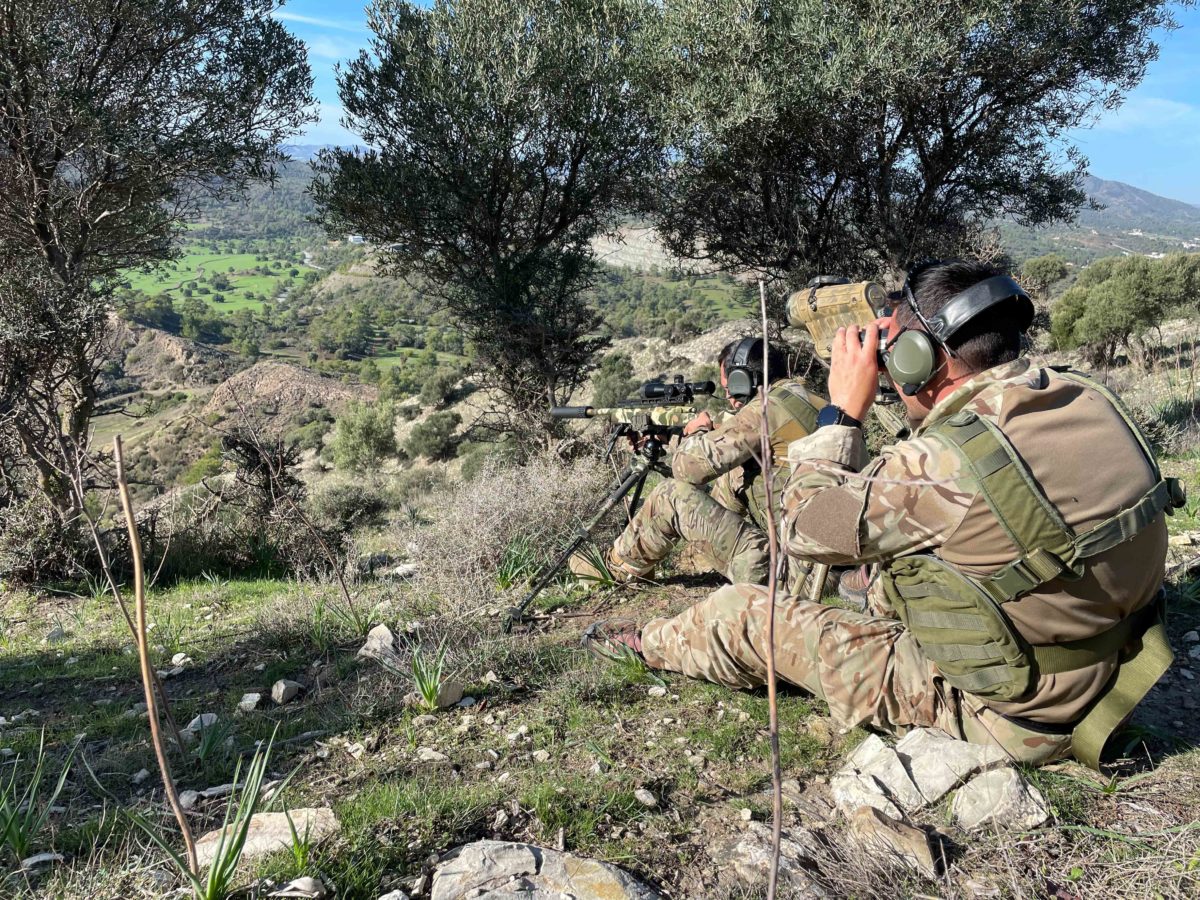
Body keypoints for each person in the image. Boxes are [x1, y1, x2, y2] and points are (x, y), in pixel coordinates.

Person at [585, 259, 1182, 768]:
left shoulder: (942, 464)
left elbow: (803, 528)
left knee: (740, 612)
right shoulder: (1089, 399)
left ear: (920, 359)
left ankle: (643, 644)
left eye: (894, 349)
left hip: (1015, 711)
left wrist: (843, 413)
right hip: (1109, 670)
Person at [569, 337, 825, 593]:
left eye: (731, 387)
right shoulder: (808, 400)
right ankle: (701, 558)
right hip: (826, 568)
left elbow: (687, 469)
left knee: (670, 496)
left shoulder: (764, 410)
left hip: (796, 578)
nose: (728, 396)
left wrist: (697, 431)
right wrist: (675, 435)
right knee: (736, 474)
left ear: (746, 379)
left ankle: (617, 567)